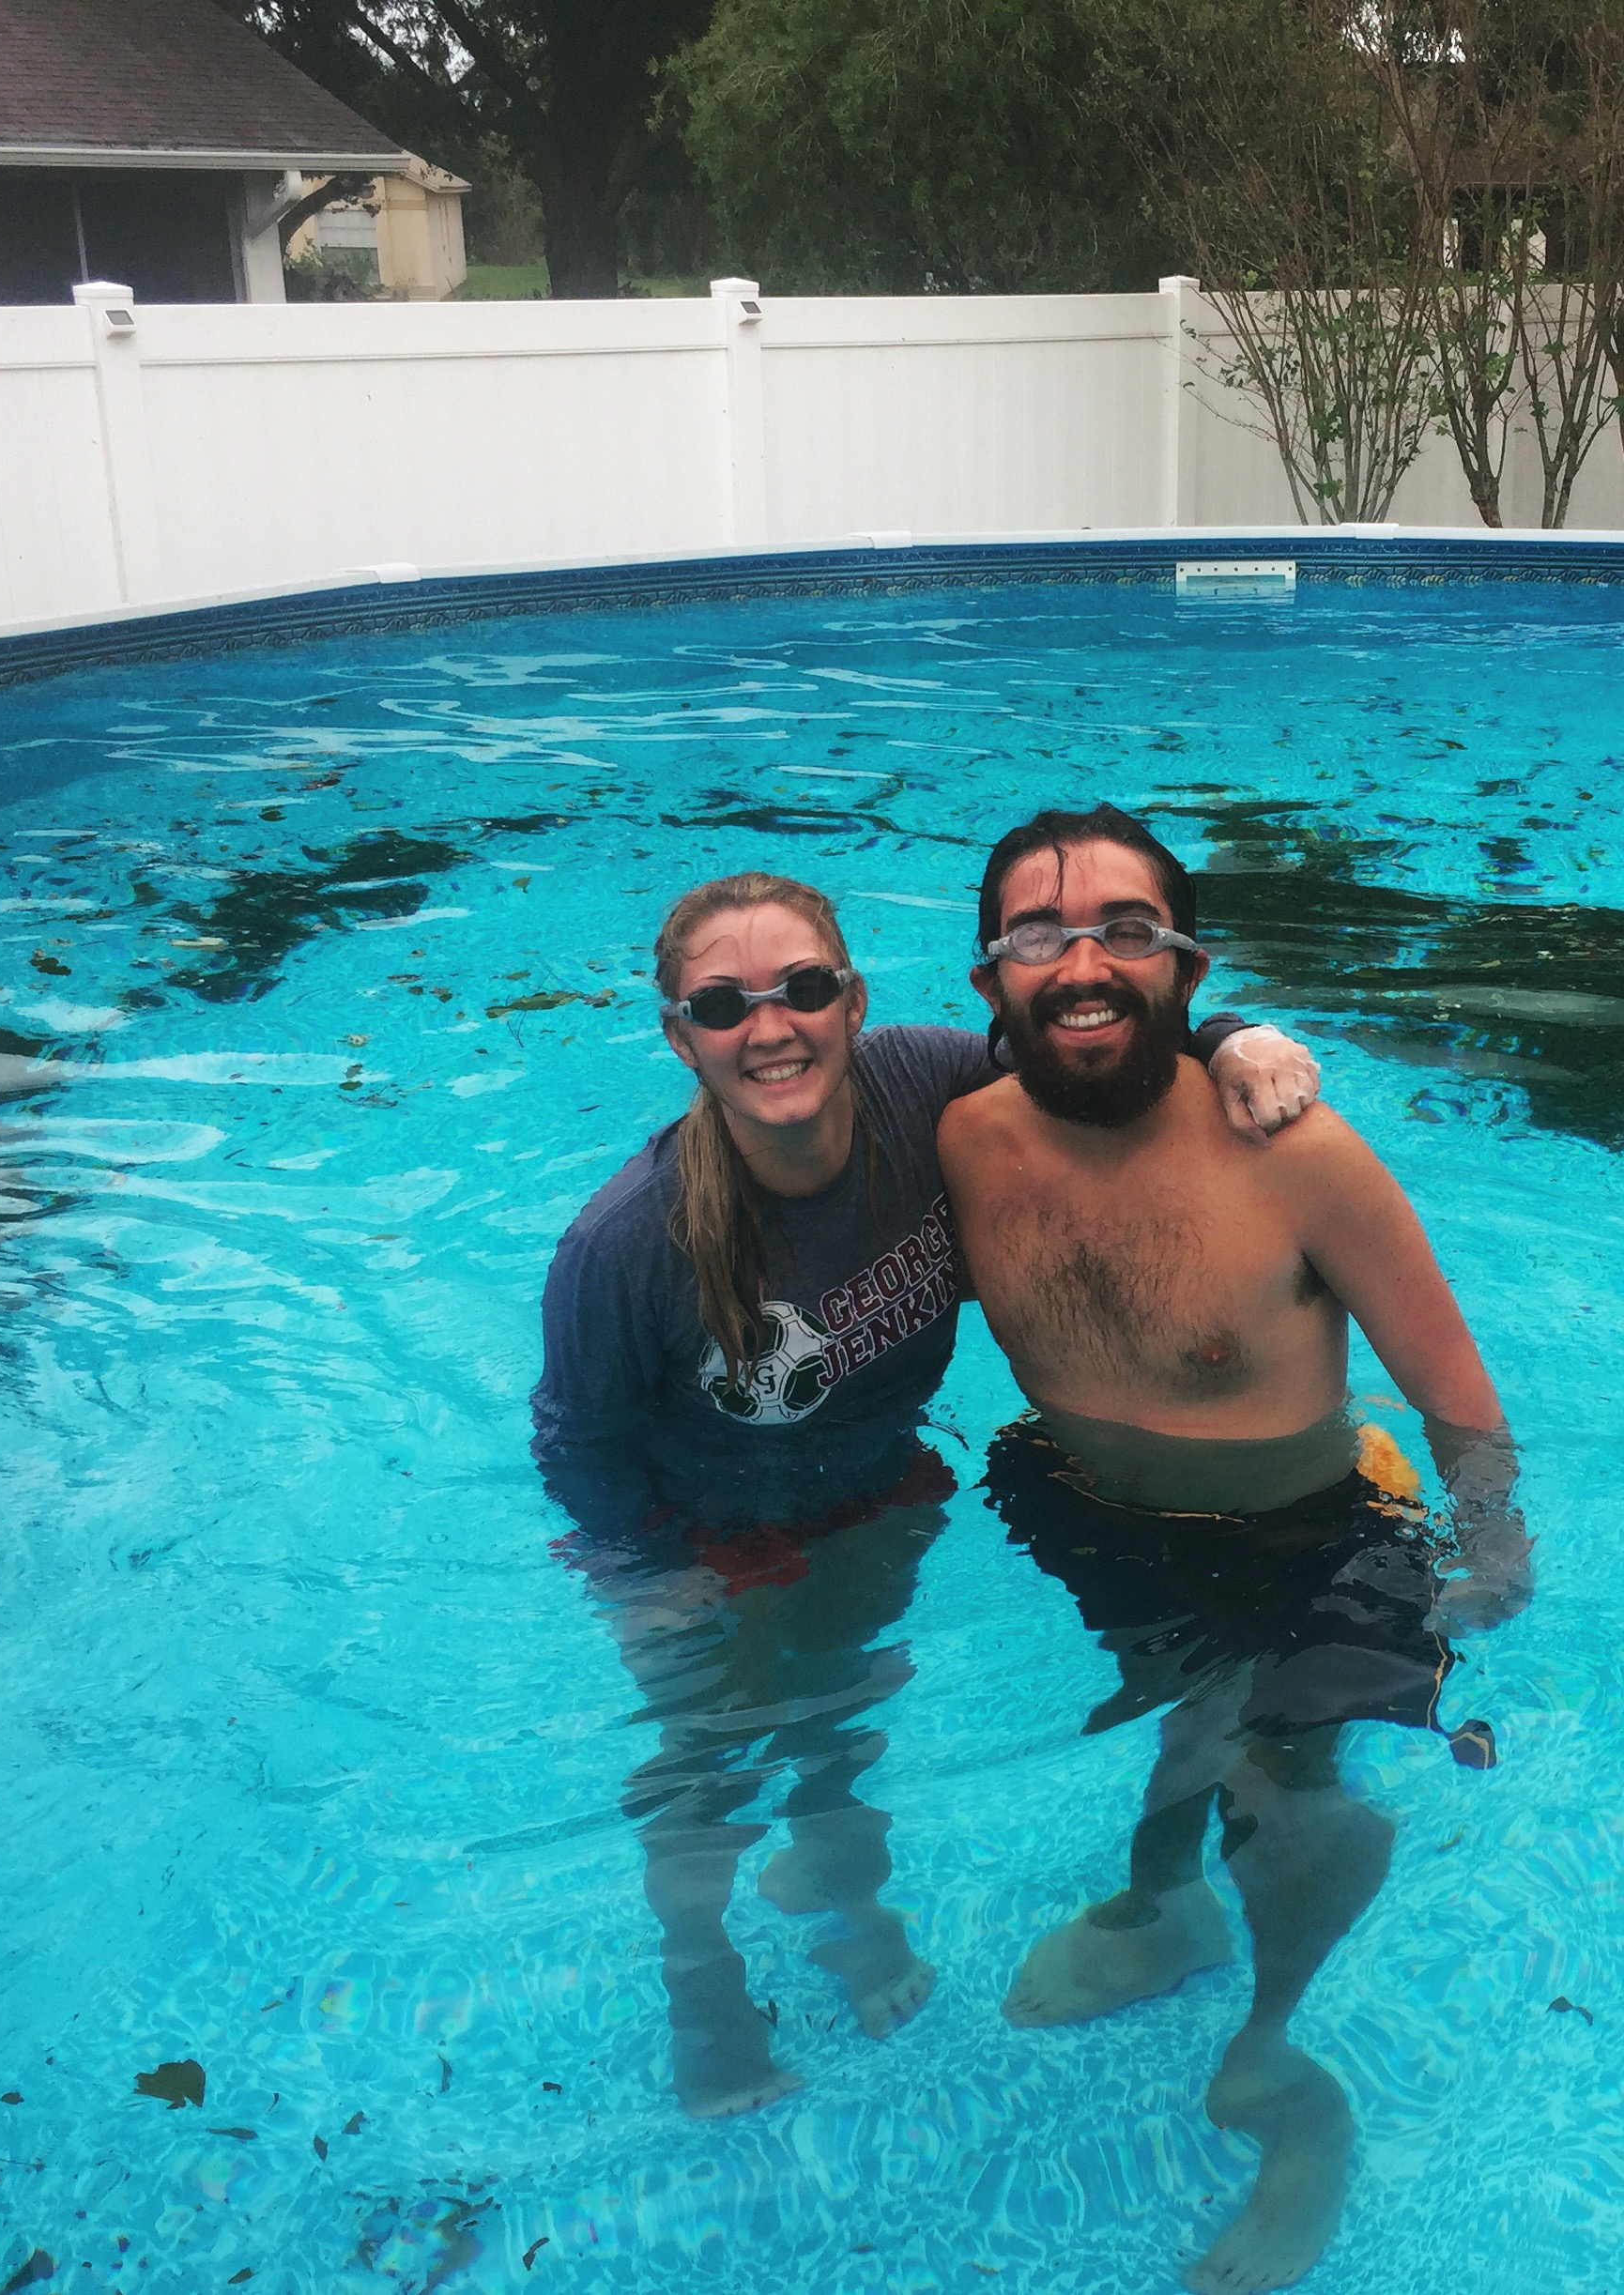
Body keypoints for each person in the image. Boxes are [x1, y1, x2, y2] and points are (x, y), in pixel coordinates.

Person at [530, 868, 1324, 2119]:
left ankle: (853, 1913)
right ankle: (704, 1986)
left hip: (873, 1490)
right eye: (723, 1004)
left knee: (842, 1727)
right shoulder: (625, 1243)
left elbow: (1088, 1051)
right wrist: (658, 1574)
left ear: (852, 1003)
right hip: (699, 1537)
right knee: (706, 1766)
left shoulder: (922, 1081)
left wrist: (1234, 1036)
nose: (769, 1024)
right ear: (678, 1035)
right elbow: (575, 1440)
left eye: (801, 988)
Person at [936, 808, 1530, 2295]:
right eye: (1040, 934)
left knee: (1283, 1777)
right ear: (989, 976)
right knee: (1180, 1714)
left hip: (1323, 1528)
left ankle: (1284, 2078)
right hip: (1097, 1514)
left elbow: (1453, 1384)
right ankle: (1164, 1903)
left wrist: (1495, 1546)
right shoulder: (956, 1138)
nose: (1084, 962)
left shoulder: (1298, 1152)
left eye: (1129, 930)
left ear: (1188, 963)